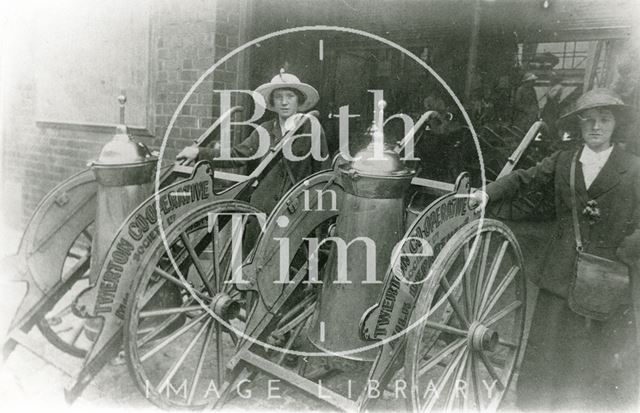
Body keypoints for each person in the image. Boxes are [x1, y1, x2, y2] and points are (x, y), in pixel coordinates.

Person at [471, 88, 640, 411]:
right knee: (548, 350)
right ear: (579, 125)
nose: (596, 127)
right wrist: (488, 193)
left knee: (598, 355)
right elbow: (524, 178)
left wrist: (629, 251)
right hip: (562, 270)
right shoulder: (565, 161)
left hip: (609, 273)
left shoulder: (633, 168)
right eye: (588, 120)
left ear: (615, 123)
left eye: (604, 119)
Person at [177, 70, 331, 214]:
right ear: (273, 102)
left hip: (294, 211)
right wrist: (199, 152)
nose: (284, 102)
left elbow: (322, 173)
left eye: (290, 96)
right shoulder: (265, 129)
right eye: (279, 96)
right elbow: (237, 155)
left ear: (299, 100)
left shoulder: (311, 128)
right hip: (261, 209)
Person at [540, 72, 564, 142]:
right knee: (547, 119)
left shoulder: (558, 86)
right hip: (549, 105)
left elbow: (551, 96)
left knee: (552, 121)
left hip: (553, 105)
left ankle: (552, 136)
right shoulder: (552, 86)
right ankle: (547, 135)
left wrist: (549, 88)